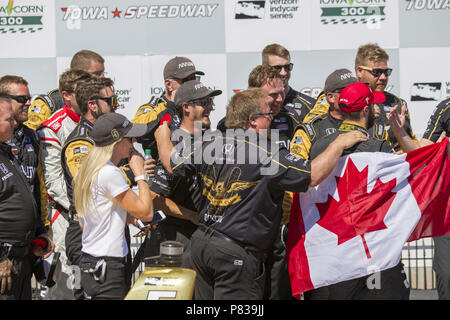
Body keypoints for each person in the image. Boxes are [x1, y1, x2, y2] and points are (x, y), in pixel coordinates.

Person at [154, 88, 367, 300]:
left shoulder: (209, 142)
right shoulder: (267, 153)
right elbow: (312, 175)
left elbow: (171, 162)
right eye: (268, 115)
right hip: (235, 254)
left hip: (201, 248)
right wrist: (338, 144)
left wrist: (162, 134)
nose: (272, 120)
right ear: (253, 120)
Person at [306, 82, 410, 300]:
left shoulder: (318, 145)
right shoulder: (378, 147)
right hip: (371, 251)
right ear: (365, 110)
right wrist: (401, 135)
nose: (376, 110)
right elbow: (413, 175)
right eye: (373, 106)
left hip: (333, 252)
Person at [73, 112, 153, 300]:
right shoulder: (110, 173)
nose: (134, 143)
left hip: (91, 262)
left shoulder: (89, 169)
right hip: (108, 267)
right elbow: (147, 212)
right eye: (130, 138)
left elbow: (86, 222)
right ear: (117, 141)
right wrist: (140, 173)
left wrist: (128, 219)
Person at [144, 80, 222, 269]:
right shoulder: (175, 142)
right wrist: (192, 216)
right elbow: (154, 198)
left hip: (202, 236)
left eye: (211, 102)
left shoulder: (209, 139)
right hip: (177, 237)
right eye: (204, 102)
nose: (210, 108)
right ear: (186, 107)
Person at [60, 77, 120, 299]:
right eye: (111, 100)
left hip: (108, 229)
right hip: (85, 231)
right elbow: (89, 185)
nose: (115, 105)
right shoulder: (81, 142)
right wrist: (133, 172)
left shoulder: (104, 138)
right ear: (93, 105)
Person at [37, 69, 92, 299]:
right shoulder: (52, 127)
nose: (88, 96)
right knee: (68, 286)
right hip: (67, 216)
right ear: (66, 95)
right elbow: (54, 181)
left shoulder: (96, 119)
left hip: (96, 215)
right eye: (82, 91)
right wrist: (83, 207)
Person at [389, 97, 450, 300]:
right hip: (447, 213)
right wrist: (400, 133)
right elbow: (422, 154)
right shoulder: (446, 107)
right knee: (446, 274)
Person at [0, 97, 54, 300]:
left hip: (22, 257)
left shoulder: (7, 152)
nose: (15, 124)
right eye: (9, 120)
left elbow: (25, 196)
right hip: (5, 262)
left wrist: (39, 234)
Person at [0, 76, 49, 231]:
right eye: (22, 99)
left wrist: (41, 230)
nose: (29, 103)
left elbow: (37, 186)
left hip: (29, 237)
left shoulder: (32, 135)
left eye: (29, 98)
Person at [132, 56, 204, 160]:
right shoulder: (155, 107)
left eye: (193, 79)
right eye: (186, 80)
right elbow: (135, 131)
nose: (191, 84)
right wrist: (171, 105)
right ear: (169, 84)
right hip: (163, 172)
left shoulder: (195, 107)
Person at [354, 43, 416, 151]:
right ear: (359, 71)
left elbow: (411, 145)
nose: (383, 77)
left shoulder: (398, 103)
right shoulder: (341, 101)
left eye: (386, 72)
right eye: (376, 72)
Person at [25, 50, 105, 130]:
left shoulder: (104, 99)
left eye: (103, 73)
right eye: (97, 74)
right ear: (80, 73)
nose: (103, 77)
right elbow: (30, 136)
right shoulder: (48, 105)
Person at [261, 43, 315, 122]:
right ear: (264, 69)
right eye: (277, 68)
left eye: (287, 67)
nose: (284, 73)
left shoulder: (309, 105)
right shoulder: (250, 104)